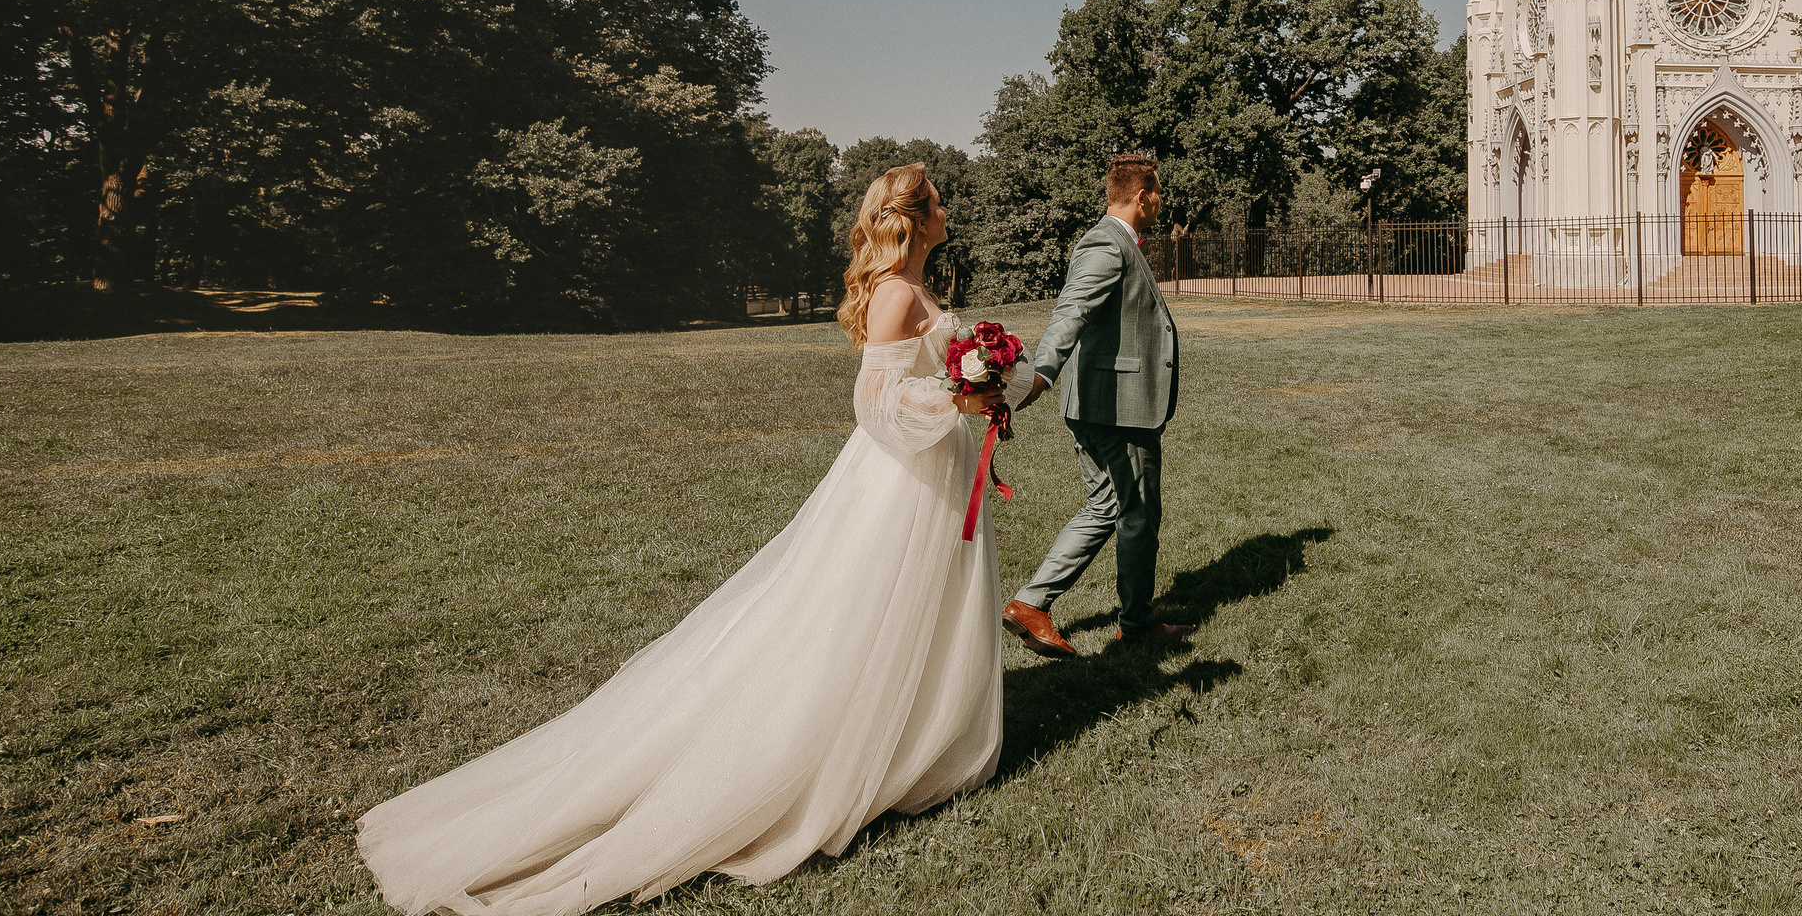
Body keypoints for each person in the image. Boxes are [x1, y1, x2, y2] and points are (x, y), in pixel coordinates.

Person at [358, 165, 1030, 915]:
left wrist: (984, 382)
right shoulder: (899, 293)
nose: (948, 207)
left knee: (923, 611)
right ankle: (820, 749)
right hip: (898, 483)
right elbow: (872, 403)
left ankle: (911, 742)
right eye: (937, 200)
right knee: (859, 615)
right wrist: (958, 394)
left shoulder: (914, 287)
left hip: (931, 470)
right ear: (909, 217)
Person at [1000, 155, 1195, 660]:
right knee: (1138, 513)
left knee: (1107, 505)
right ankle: (1134, 626)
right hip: (1118, 408)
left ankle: (1031, 603)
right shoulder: (1106, 244)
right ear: (1142, 196)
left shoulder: (1115, 242)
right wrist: (1041, 372)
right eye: (1159, 194)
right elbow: (1073, 309)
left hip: (1096, 404)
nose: (1161, 204)